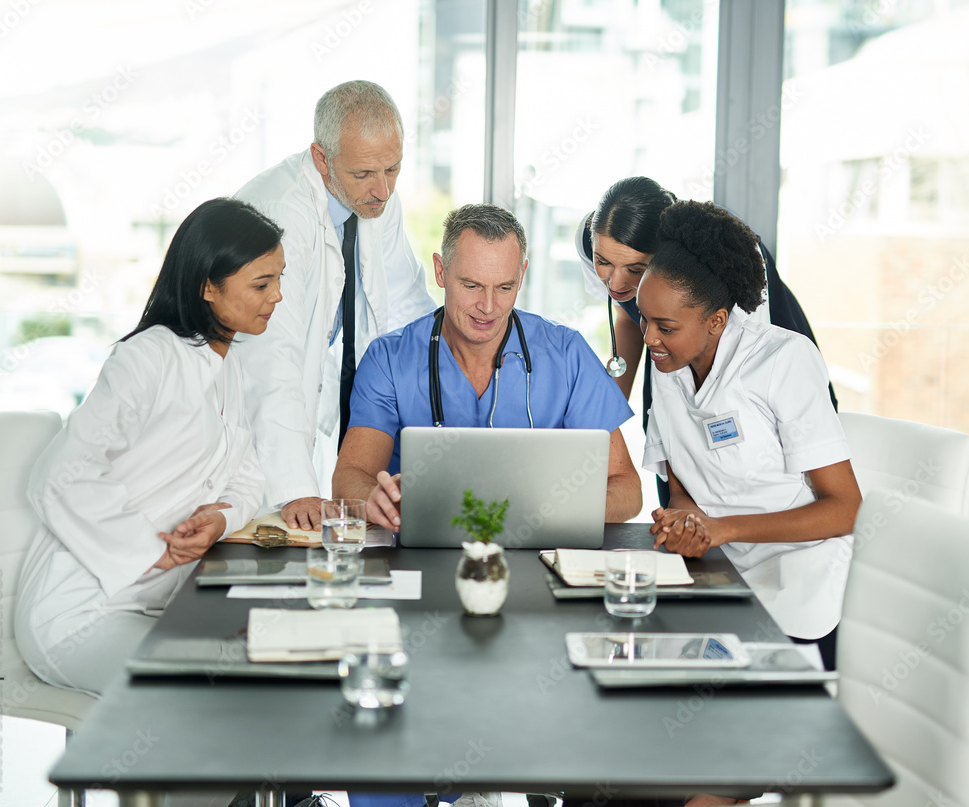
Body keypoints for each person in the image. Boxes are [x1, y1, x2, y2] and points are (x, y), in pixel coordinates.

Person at [14, 198, 282, 697]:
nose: (277, 296)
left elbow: (247, 477)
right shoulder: (148, 358)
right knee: (205, 691)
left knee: (270, 665)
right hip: (80, 612)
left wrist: (220, 518)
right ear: (208, 285)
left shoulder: (227, 368)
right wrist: (147, 551)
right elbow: (58, 476)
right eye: (262, 284)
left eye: (278, 280)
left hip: (156, 602)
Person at [637, 200, 861, 675]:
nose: (649, 338)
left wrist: (723, 528)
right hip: (719, 571)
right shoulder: (669, 366)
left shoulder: (783, 361)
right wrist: (685, 522)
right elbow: (683, 490)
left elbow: (845, 509)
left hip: (800, 578)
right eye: (643, 319)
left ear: (716, 320)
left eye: (666, 327)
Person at [332, 203, 642, 529]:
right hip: (419, 555)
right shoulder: (389, 360)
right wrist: (372, 499)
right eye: (472, 285)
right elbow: (351, 476)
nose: (488, 307)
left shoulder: (567, 354)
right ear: (440, 271)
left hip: (537, 555)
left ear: (521, 276)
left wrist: (550, 511)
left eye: (505, 287)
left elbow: (627, 488)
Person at [233, 80, 436, 531]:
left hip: (318, 404)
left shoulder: (375, 196)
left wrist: (460, 354)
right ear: (322, 159)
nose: (382, 190)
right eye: (364, 174)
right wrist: (294, 487)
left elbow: (405, 300)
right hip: (248, 419)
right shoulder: (280, 213)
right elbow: (271, 358)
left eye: (394, 169)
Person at [576, 177, 836, 506]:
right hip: (675, 345)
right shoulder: (592, 243)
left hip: (768, 374)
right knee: (674, 478)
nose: (615, 281)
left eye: (636, 269)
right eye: (604, 263)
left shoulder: (721, 258)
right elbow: (628, 316)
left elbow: (743, 361)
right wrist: (601, 425)